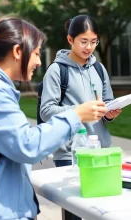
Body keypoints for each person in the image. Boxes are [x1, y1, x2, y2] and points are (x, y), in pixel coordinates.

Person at [0, 16, 108, 220]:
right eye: (36, 53)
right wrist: (76, 115)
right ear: (18, 52)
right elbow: (27, 144)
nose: (38, 61)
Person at [40, 15, 121, 167]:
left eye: (93, 42)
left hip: (100, 149)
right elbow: (46, 111)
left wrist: (109, 113)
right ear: (70, 40)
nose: (89, 47)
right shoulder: (57, 70)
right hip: (70, 155)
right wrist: (79, 111)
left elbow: (107, 101)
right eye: (83, 42)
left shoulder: (99, 68)